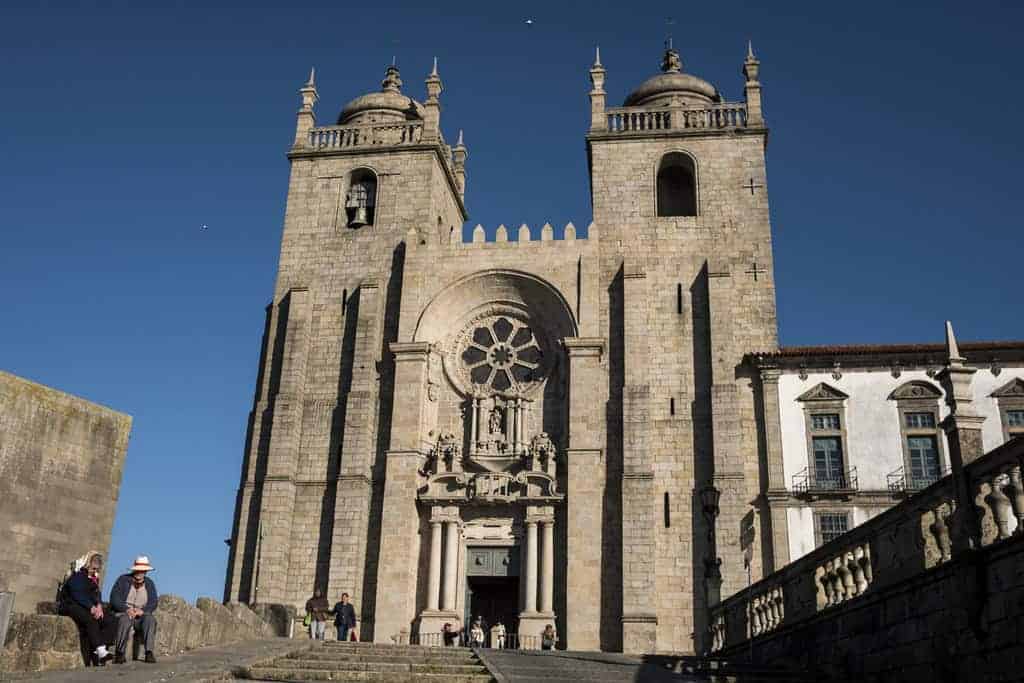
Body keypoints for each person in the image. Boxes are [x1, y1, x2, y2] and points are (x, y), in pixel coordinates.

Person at [61, 551, 117, 665]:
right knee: (90, 619)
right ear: (88, 565)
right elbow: (77, 594)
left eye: (97, 569)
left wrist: (99, 606)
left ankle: (101, 646)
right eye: (93, 569)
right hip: (72, 605)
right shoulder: (78, 575)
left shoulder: (94, 579)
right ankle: (100, 650)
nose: (95, 571)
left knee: (111, 619)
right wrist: (91, 607)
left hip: (88, 606)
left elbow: (96, 594)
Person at [109, 555, 159, 664]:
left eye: (143, 571)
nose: (140, 573)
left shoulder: (149, 583)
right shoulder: (123, 580)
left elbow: (153, 601)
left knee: (150, 619)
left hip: (140, 616)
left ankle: (149, 652)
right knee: (124, 619)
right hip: (124, 613)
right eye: (138, 570)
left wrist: (143, 611)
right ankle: (119, 653)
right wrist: (126, 609)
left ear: (146, 572)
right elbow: (114, 598)